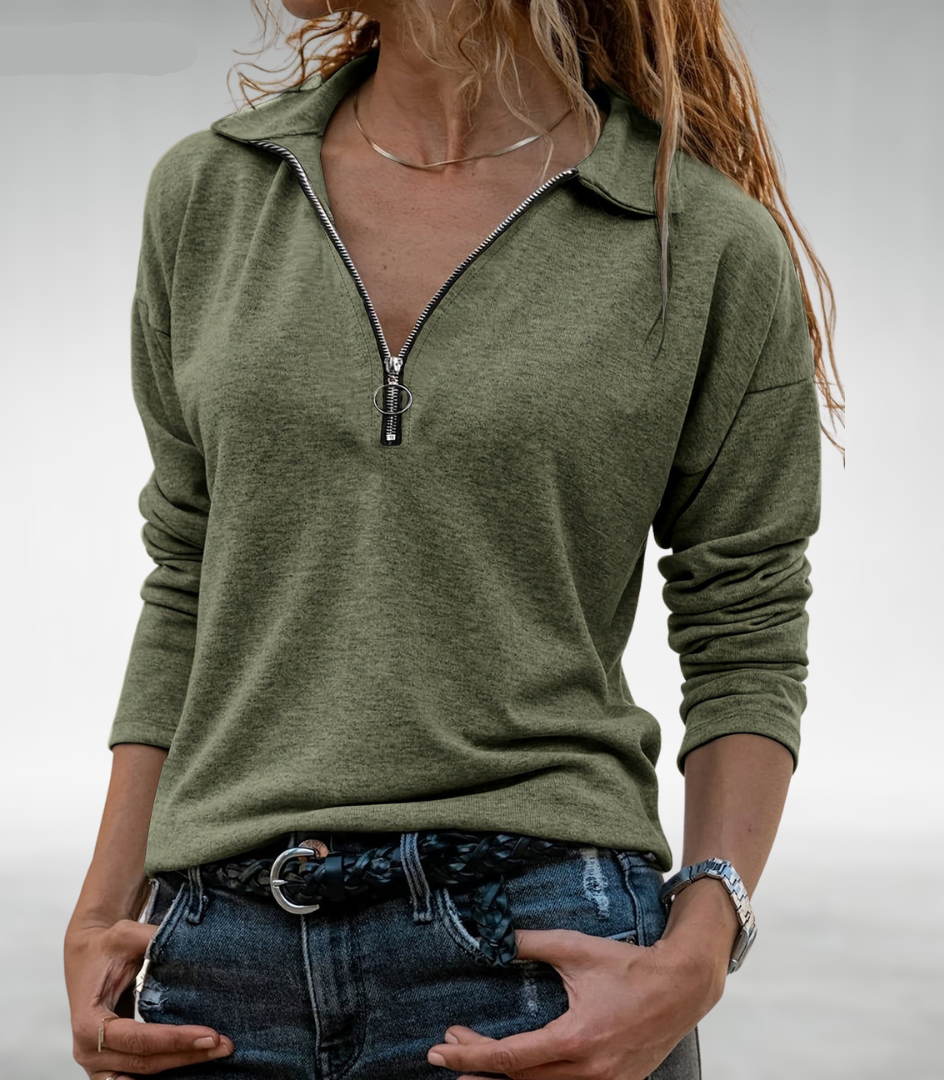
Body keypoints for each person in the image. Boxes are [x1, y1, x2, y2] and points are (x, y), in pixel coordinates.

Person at [64, 1, 843, 1078]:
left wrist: (703, 942)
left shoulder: (696, 239)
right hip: (216, 960)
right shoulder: (212, 194)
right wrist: (99, 910)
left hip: (537, 952)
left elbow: (744, 622)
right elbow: (189, 571)